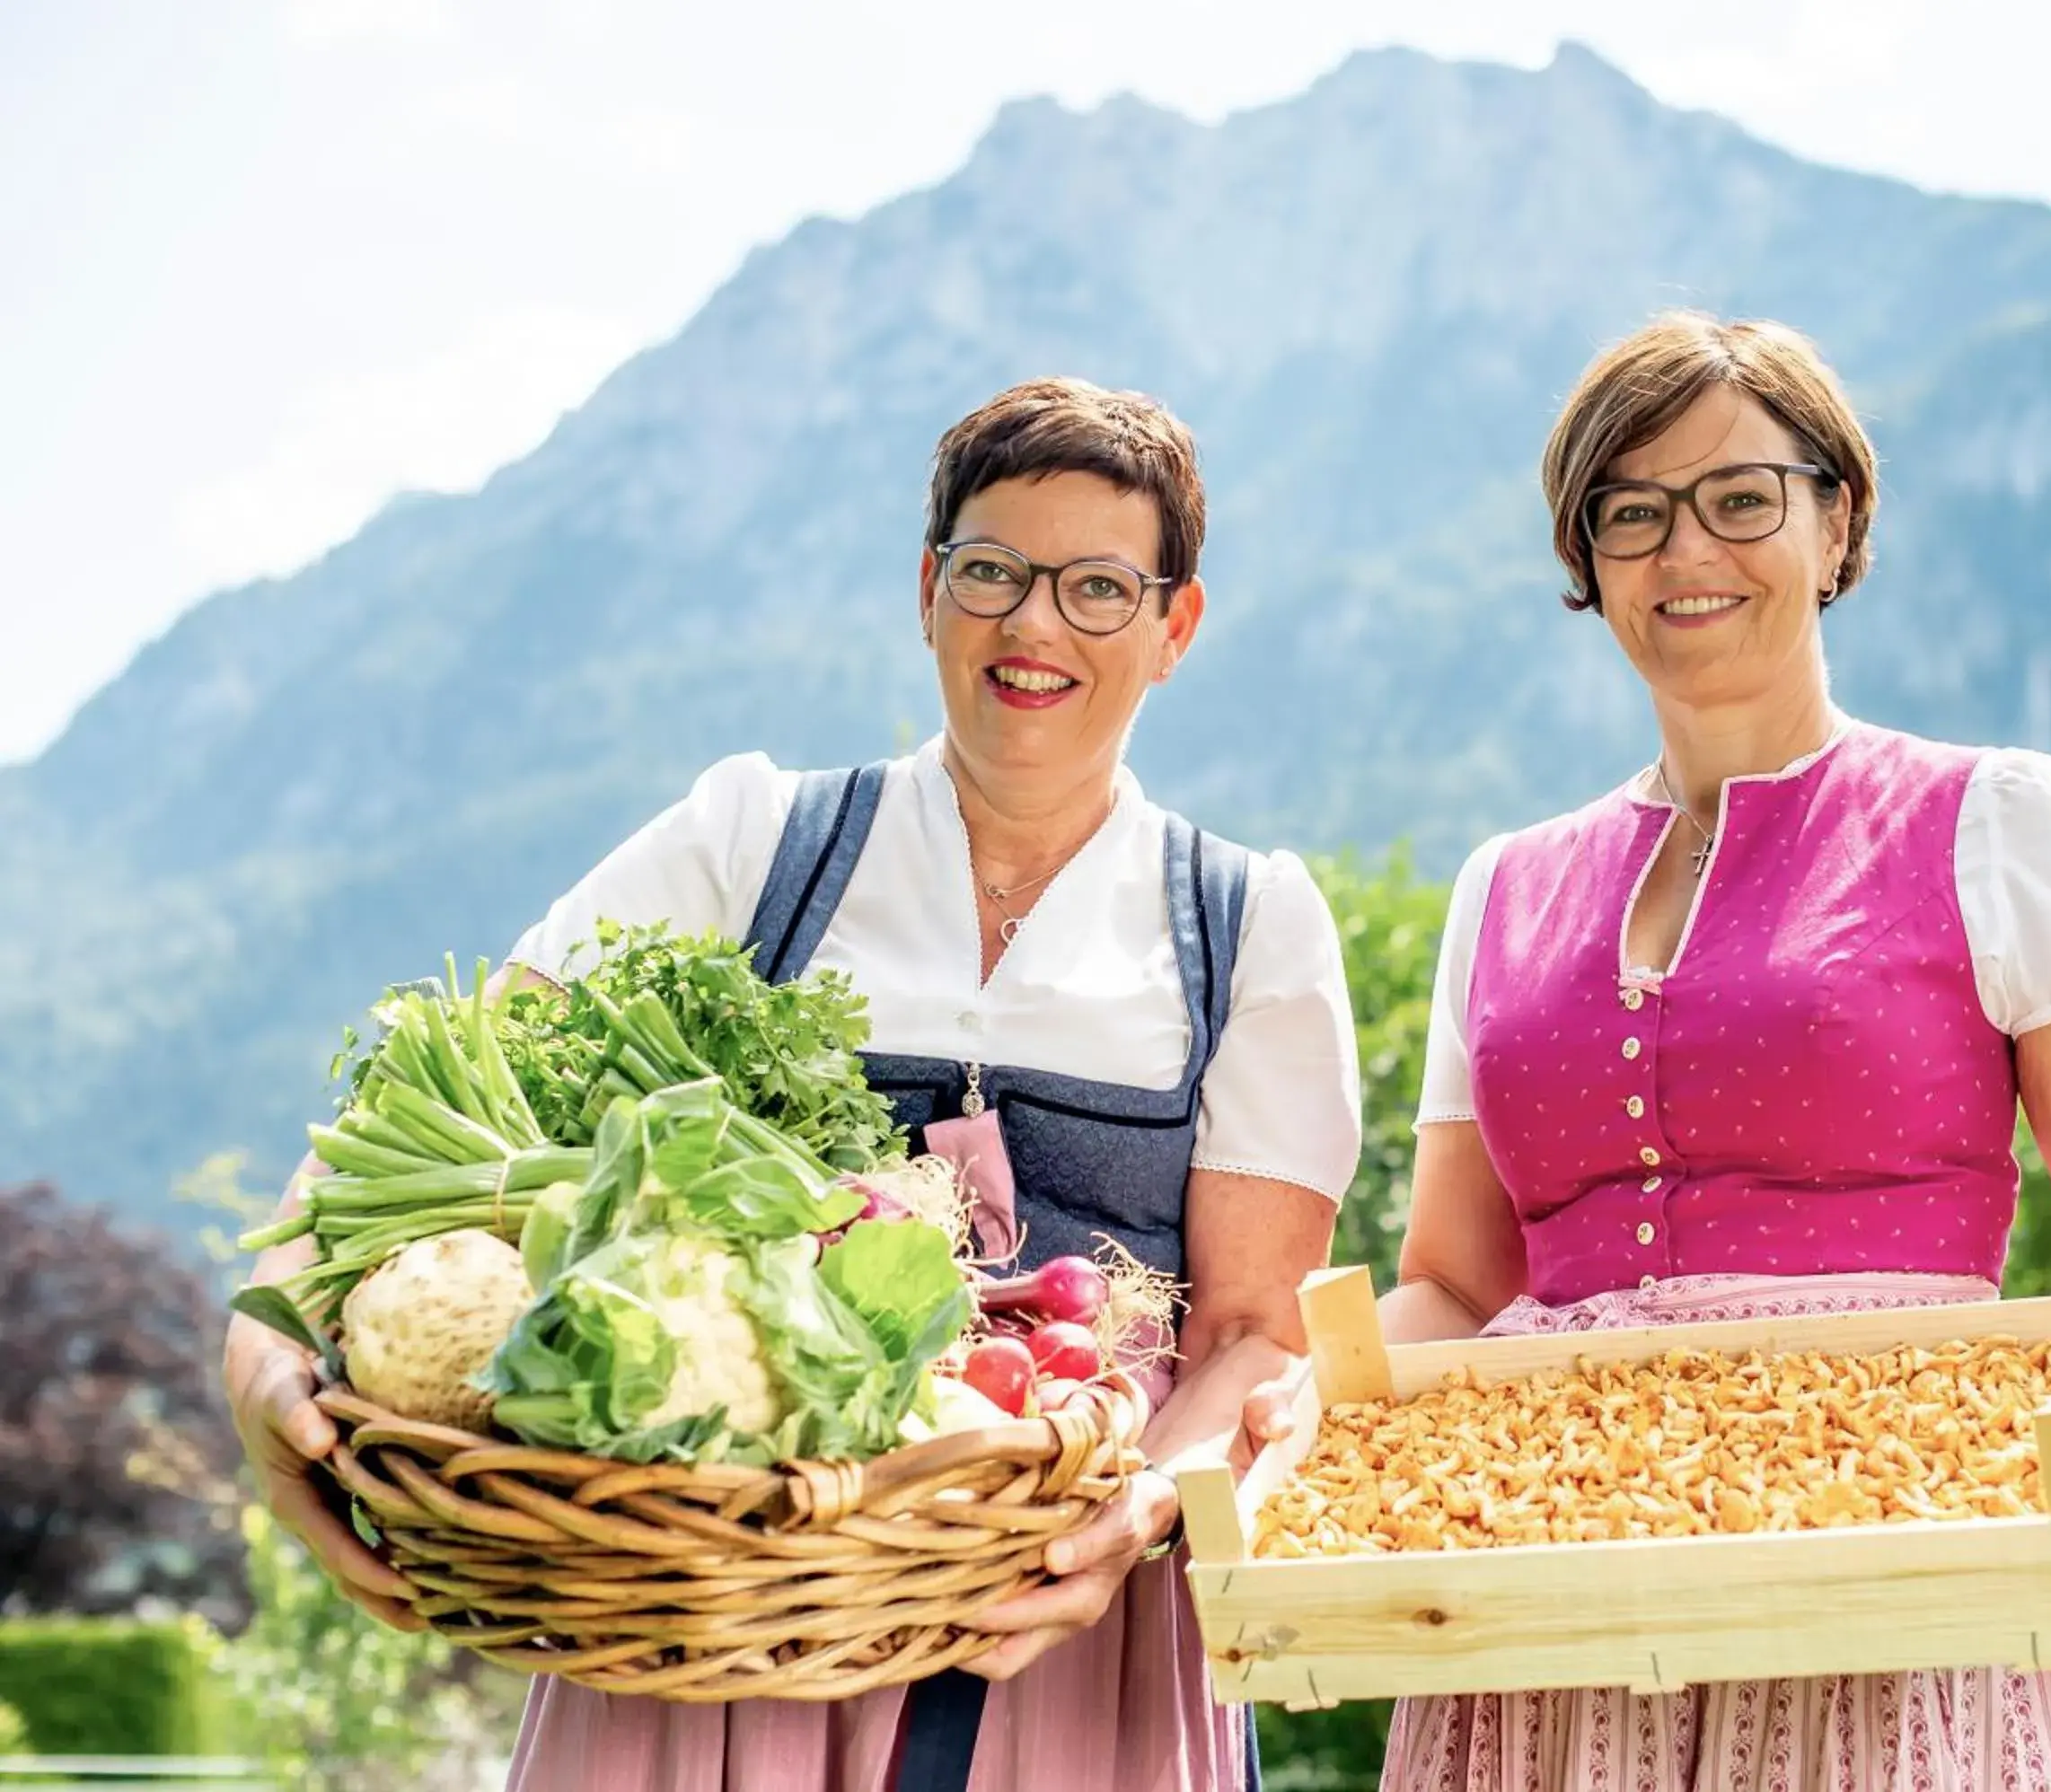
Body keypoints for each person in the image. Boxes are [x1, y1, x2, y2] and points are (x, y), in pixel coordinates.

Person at [222, 376, 1363, 1792]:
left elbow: (1256, 1332)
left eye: (1098, 589)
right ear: (928, 589)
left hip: (1071, 1638)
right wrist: (264, 1336)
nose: (1032, 626)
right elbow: (428, 1105)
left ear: (1174, 627)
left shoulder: (1247, 924)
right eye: (993, 572)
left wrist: (1121, 1520)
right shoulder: (756, 841)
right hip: (717, 1605)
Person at [1264, 312, 2051, 1790]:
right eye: (1632, 514)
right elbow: (1463, 1285)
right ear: (1587, 565)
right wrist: (1317, 1397)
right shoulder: (1505, 886)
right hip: (1552, 1625)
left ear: (1836, 517)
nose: (1689, 551)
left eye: (1742, 498)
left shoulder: (1997, 821)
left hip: (1913, 1556)